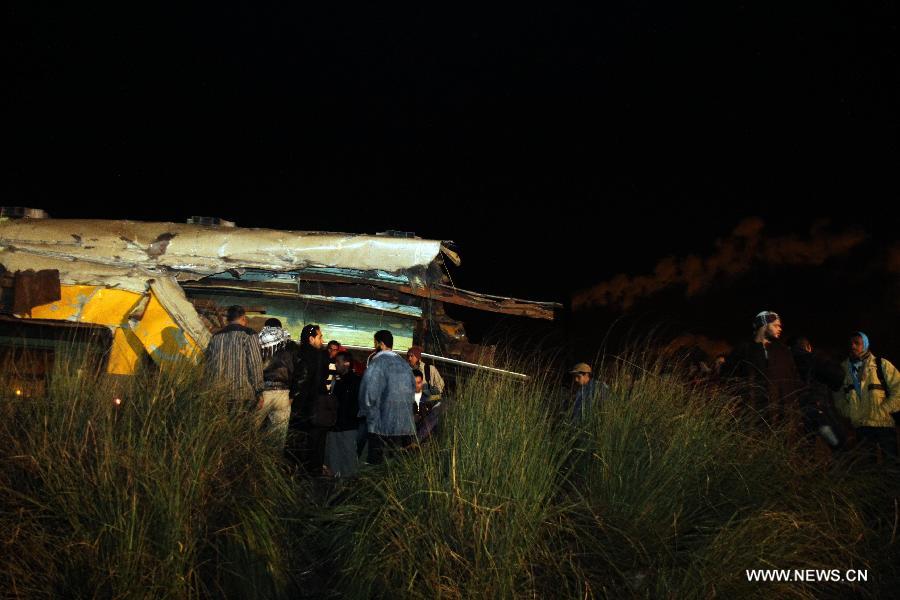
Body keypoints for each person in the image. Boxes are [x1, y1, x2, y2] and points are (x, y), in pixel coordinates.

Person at [722, 311, 804, 436]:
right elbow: (728, 377)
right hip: (752, 417)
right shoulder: (744, 349)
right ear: (764, 325)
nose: (780, 328)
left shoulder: (784, 352)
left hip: (781, 420)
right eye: (776, 325)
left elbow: (794, 381)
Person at [833, 332, 900, 460]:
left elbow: (898, 388)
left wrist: (885, 409)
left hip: (884, 426)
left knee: (891, 467)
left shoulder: (881, 364)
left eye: (857, 343)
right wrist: (848, 412)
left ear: (866, 345)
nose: (852, 346)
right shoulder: (843, 369)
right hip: (861, 428)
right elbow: (838, 396)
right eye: (850, 343)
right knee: (867, 471)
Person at [359, 330, 416, 464]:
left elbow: (368, 392)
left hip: (381, 425)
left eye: (375, 343)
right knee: (396, 467)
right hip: (404, 426)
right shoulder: (404, 364)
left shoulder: (378, 363)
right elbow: (412, 389)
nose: (374, 346)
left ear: (382, 344)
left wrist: (366, 412)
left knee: (377, 467)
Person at [204, 305, 264, 412]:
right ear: (243, 318)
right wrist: (259, 391)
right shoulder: (249, 334)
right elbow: (255, 364)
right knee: (241, 427)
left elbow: (208, 365)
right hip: (242, 395)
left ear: (227, 320)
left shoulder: (215, 337)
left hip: (218, 395)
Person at [287, 324, 329, 475]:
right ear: (311, 339)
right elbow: (302, 380)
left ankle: (297, 473)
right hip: (314, 407)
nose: (322, 340)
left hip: (304, 407)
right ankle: (312, 473)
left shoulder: (302, 354)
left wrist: (292, 400)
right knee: (314, 444)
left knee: (299, 443)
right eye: (320, 336)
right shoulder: (317, 355)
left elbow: (300, 381)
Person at [257, 318, 299, 451]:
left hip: (263, 393)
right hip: (283, 394)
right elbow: (298, 371)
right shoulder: (291, 345)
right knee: (278, 438)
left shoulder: (260, 342)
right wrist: (292, 395)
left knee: (250, 432)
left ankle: (250, 464)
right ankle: (272, 464)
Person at [324, 350, 363, 477]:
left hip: (347, 425)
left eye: (337, 362)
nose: (335, 365)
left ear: (346, 363)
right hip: (340, 424)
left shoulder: (355, 381)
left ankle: (345, 485)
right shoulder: (339, 380)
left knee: (346, 457)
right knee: (338, 457)